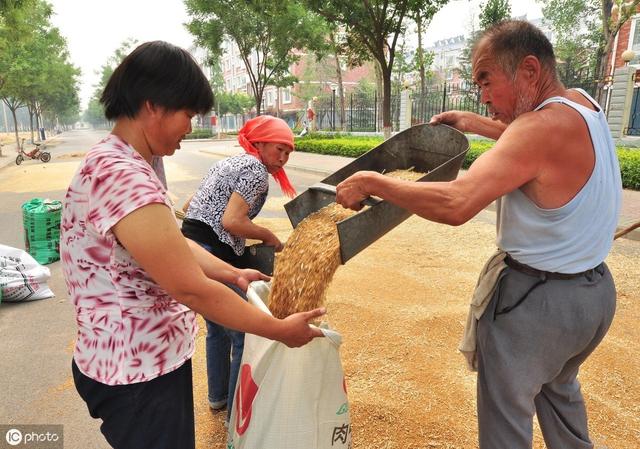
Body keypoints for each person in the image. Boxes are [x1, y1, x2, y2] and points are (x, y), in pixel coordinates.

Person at [335, 20, 621, 449]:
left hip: (537, 306)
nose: (483, 95)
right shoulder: (582, 104)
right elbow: (536, 146)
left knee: (505, 424)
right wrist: (474, 123)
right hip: (592, 298)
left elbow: (457, 203)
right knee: (560, 398)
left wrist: (373, 182)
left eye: (486, 80)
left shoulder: (536, 129)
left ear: (528, 70)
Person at [59, 41, 324, 449]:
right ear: (153, 106)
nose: (190, 126)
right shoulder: (122, 175)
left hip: (140, 360)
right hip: (136, 371)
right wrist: (277, 330)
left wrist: (232, 272)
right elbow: (188, 287)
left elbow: (174, 245)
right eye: (188, 114)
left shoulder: (132, 163)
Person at [180, 115, 296, 425]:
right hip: (210, 252)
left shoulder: (231, 162)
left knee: (218, 328)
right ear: (259, 143)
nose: (282, 158)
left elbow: (192, 202)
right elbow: (232, 221)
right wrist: (269, 236)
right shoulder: (256, 170)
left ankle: (218, 397)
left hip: (191, 247)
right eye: (278, 149)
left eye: (288, 152)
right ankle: (236, 414)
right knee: (242, 331)